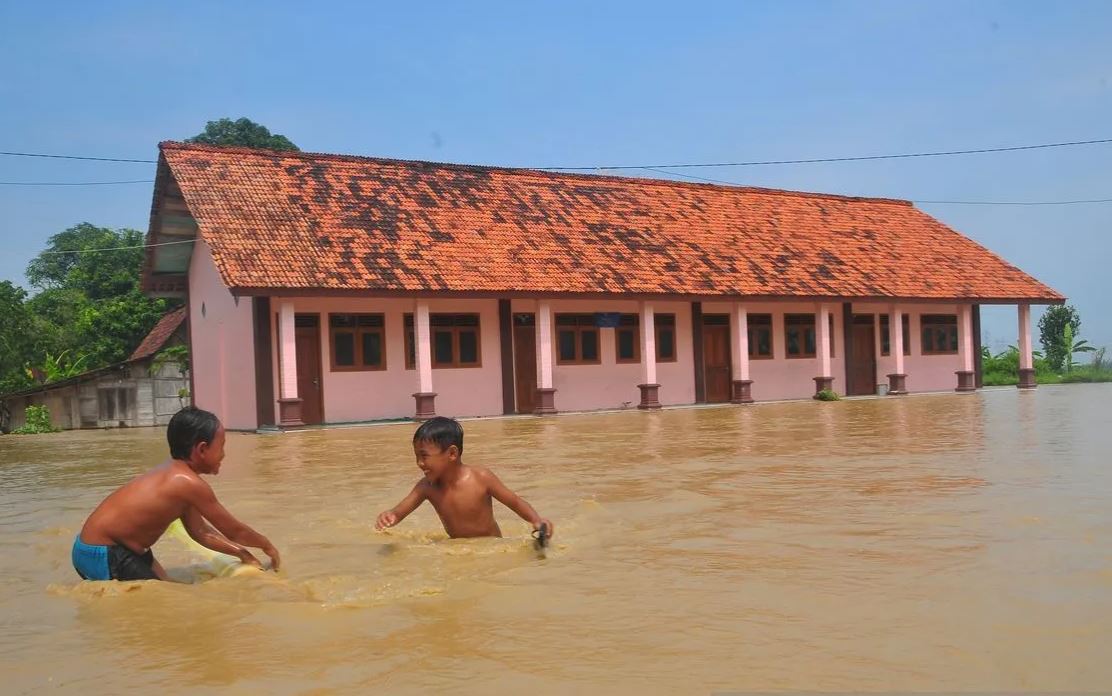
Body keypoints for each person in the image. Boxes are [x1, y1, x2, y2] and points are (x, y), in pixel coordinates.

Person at [71, 406, 280, 581]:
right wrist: (267, 545)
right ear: (202, 449)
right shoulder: (188, 483)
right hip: (102, 553)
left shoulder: (177, 477)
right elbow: (235, 531)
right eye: (222, 446)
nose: (224, 454)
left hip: (107, 548)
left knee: (169, 590)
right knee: (163, 611)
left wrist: (241, 554)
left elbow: (200, 532)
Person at [376, 417, 553, 540]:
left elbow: (515, 502)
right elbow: (400, 511)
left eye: (424, 456)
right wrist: (390, 516)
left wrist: (536, 520)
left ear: (452, 453)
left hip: (490, 545)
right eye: (416, 456)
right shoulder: (427, 487)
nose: (419, 463)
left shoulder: (481, 477)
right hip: (459, 548)